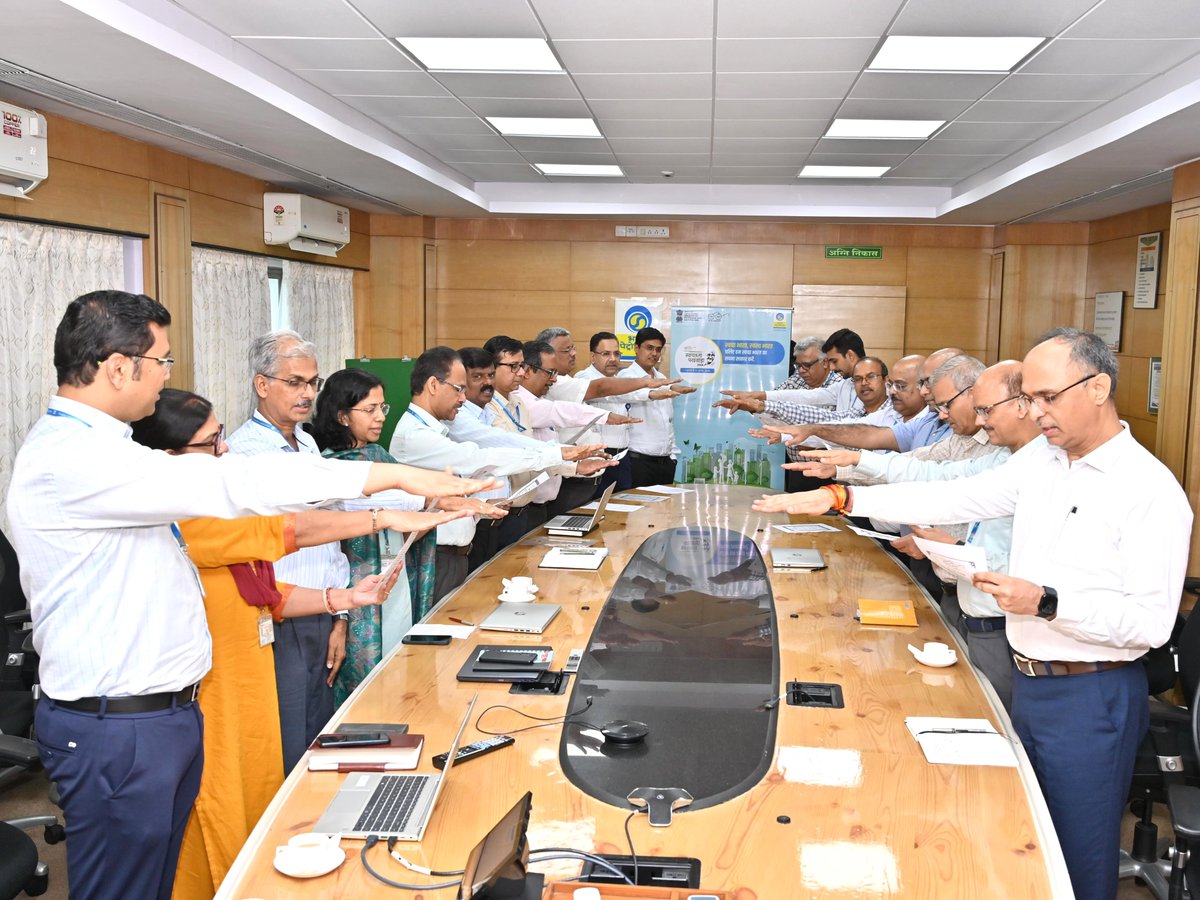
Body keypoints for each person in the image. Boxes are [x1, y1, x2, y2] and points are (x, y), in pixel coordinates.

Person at [5, 290, 497, 900]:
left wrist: (385, 513)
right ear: (117, 367)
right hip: (119, 722)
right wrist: (391, 477)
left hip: (162, 712)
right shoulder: (73, 460)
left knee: (158, 881)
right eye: (162, 362)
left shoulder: (111, 452)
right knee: (123, 889)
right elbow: (240, 485)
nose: (165, 377)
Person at [754, 328, 1193, 900]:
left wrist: (1046, 601)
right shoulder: (1045, 461)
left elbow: (1151, 624)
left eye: (1048, 398)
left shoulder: (1149, 490)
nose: (1037, 413)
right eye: (1030, 399)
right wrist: (844, 497)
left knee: (1076, 860)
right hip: (1029, 680)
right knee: (1014, 837)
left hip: (1092, 694)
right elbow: (957, 496)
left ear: (1099, 387)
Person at [129, 388, 468, 899]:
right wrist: (384, 513)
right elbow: (287, 530)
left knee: (266, 805)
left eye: (221, 437)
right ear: (168, 459)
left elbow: (266, 596)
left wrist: (344, 597)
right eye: (210, 443)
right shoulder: (178, 522)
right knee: (219, 817)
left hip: (252, 687)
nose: (225, 452)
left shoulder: (211, 519)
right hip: (214, 701)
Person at [225, 330, 347, 771]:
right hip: (281, 613)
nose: (307, 394)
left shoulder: (307, 440)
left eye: (313, 383)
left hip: (322, 608)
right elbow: (336, 504)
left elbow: (331, 546)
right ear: (262, 385)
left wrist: (340, 616)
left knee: (320, 732)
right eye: (294, 382)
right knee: (290, 740)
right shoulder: (248, 452)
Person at [310, 368, 443, 702]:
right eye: (369, 410)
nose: (380, 417)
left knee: (400, 663)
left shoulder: (381, 458)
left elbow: (411, 512)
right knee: (364, 675)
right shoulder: (327, 467)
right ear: (342, 415)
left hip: (396, 576)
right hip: (358, 585)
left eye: (382, 408)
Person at [619, 327, 682, 487]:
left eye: (658, 349)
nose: (654, 353)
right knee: (637, 511)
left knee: (663, 512)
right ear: (636, 348)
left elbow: (668, 421)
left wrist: (672, 457)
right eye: (649, 348)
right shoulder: (626, 377)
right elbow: (630, 394)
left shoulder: (662, 378)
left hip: (665, 463)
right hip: (638, 463)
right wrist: (651, 393)